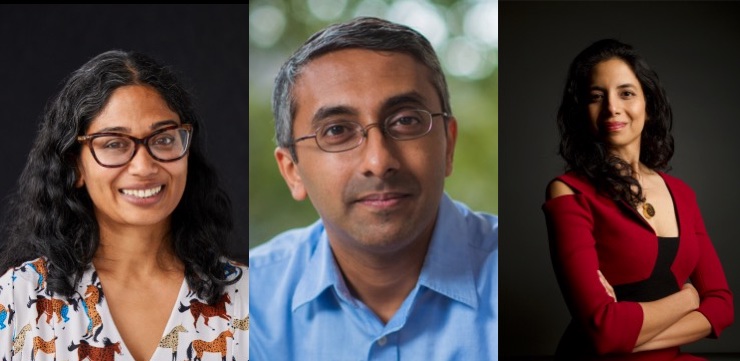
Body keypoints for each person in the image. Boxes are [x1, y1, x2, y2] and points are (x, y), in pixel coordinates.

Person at [249, 16, 498, 360]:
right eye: (337, 131)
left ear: (448, 145)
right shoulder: (246, 301)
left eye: (406, 121)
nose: (379, 162)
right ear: (292, 171)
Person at [0, 50, 248, 360]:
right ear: (75, 166)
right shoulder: (17, 299)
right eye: (114, 143)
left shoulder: (247, 297)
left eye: (163, 139)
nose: (144, 167)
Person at [543, 39, 733, 360]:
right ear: (582, 111)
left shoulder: (683, 194)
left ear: (649, 103)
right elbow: (605, 331)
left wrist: (633, 339)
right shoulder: (568, 191)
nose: (612, 108)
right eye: (595, 97)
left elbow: (721, 305)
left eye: (626, 93)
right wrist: (688, 299)